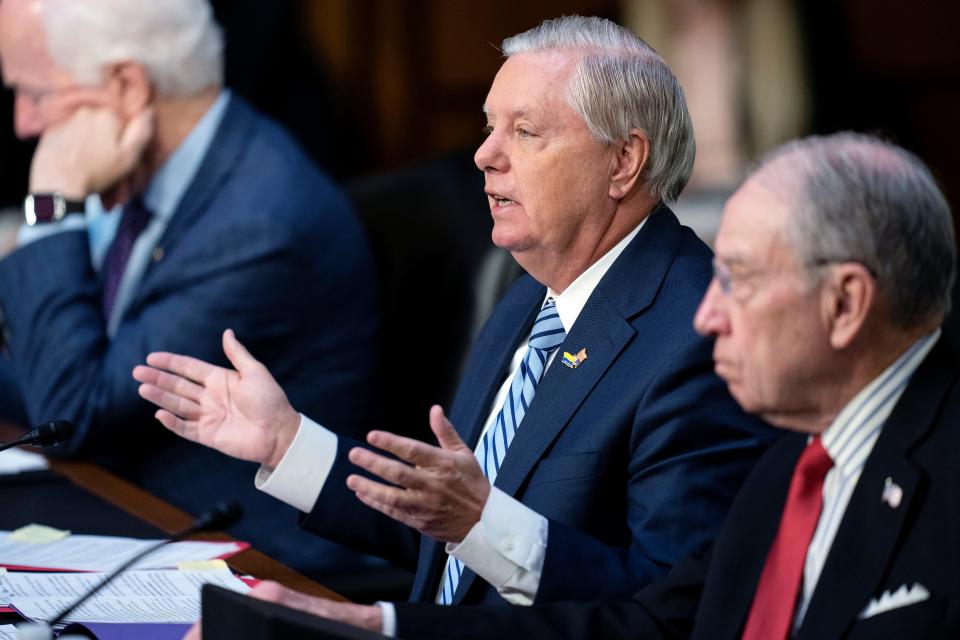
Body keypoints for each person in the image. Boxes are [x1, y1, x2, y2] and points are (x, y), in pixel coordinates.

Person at [135, 15, 773, 636]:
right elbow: (449, 529)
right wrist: (287, 443)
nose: (483, 155)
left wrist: (391, 614)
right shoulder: (527, 298)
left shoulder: (699, 337)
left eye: (524, 132)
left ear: (624, 161)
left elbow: (667, 617)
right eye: (489, 127)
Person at [254, 132, 959, 639]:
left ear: (844, 305)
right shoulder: (795, 461)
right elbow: (652, 620)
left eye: (737, 281)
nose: (710, 316)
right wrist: (378, 629)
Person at [0, 0, 379, 573]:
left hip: (259, 569)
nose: (23, 123)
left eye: (37, 94)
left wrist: (51, 208)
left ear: (127, 85)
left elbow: (69, 413)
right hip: (132, 514)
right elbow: (52, 370)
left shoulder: (257, 221)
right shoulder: (150, 176)